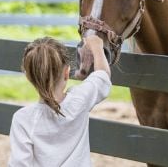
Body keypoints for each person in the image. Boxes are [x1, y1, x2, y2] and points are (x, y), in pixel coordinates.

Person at [8, 36, 111, 167]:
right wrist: (97, 47)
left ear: (28, 77)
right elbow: (103, 76)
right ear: (67, 72)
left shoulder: (22, 119)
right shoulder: (80, 100)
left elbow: (19, 164)